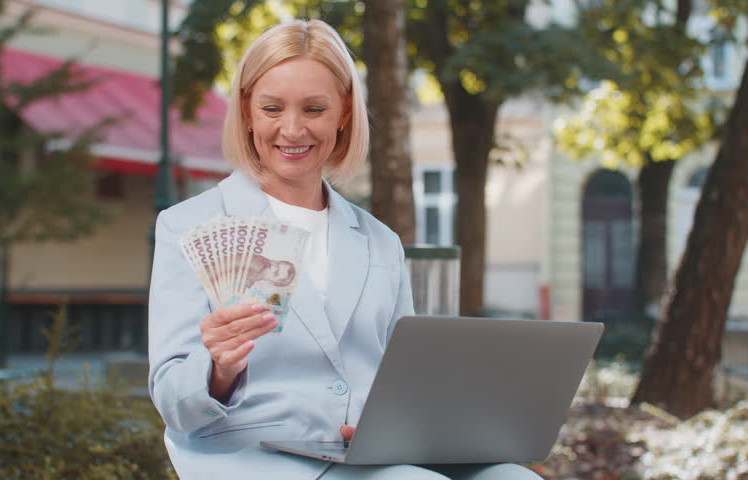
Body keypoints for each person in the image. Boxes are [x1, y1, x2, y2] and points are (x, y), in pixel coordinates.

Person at [148, 19, 543, 480]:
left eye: (314, 109)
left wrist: (415, 424)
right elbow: (173, 402)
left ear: (345, 113)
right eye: (272, 108)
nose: (292, 130)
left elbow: (406, 380)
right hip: (255, 457)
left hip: (364, 453)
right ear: (247, 111)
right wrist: (217, 368)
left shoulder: (379, 242)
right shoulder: (189, 226)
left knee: (517, 478)